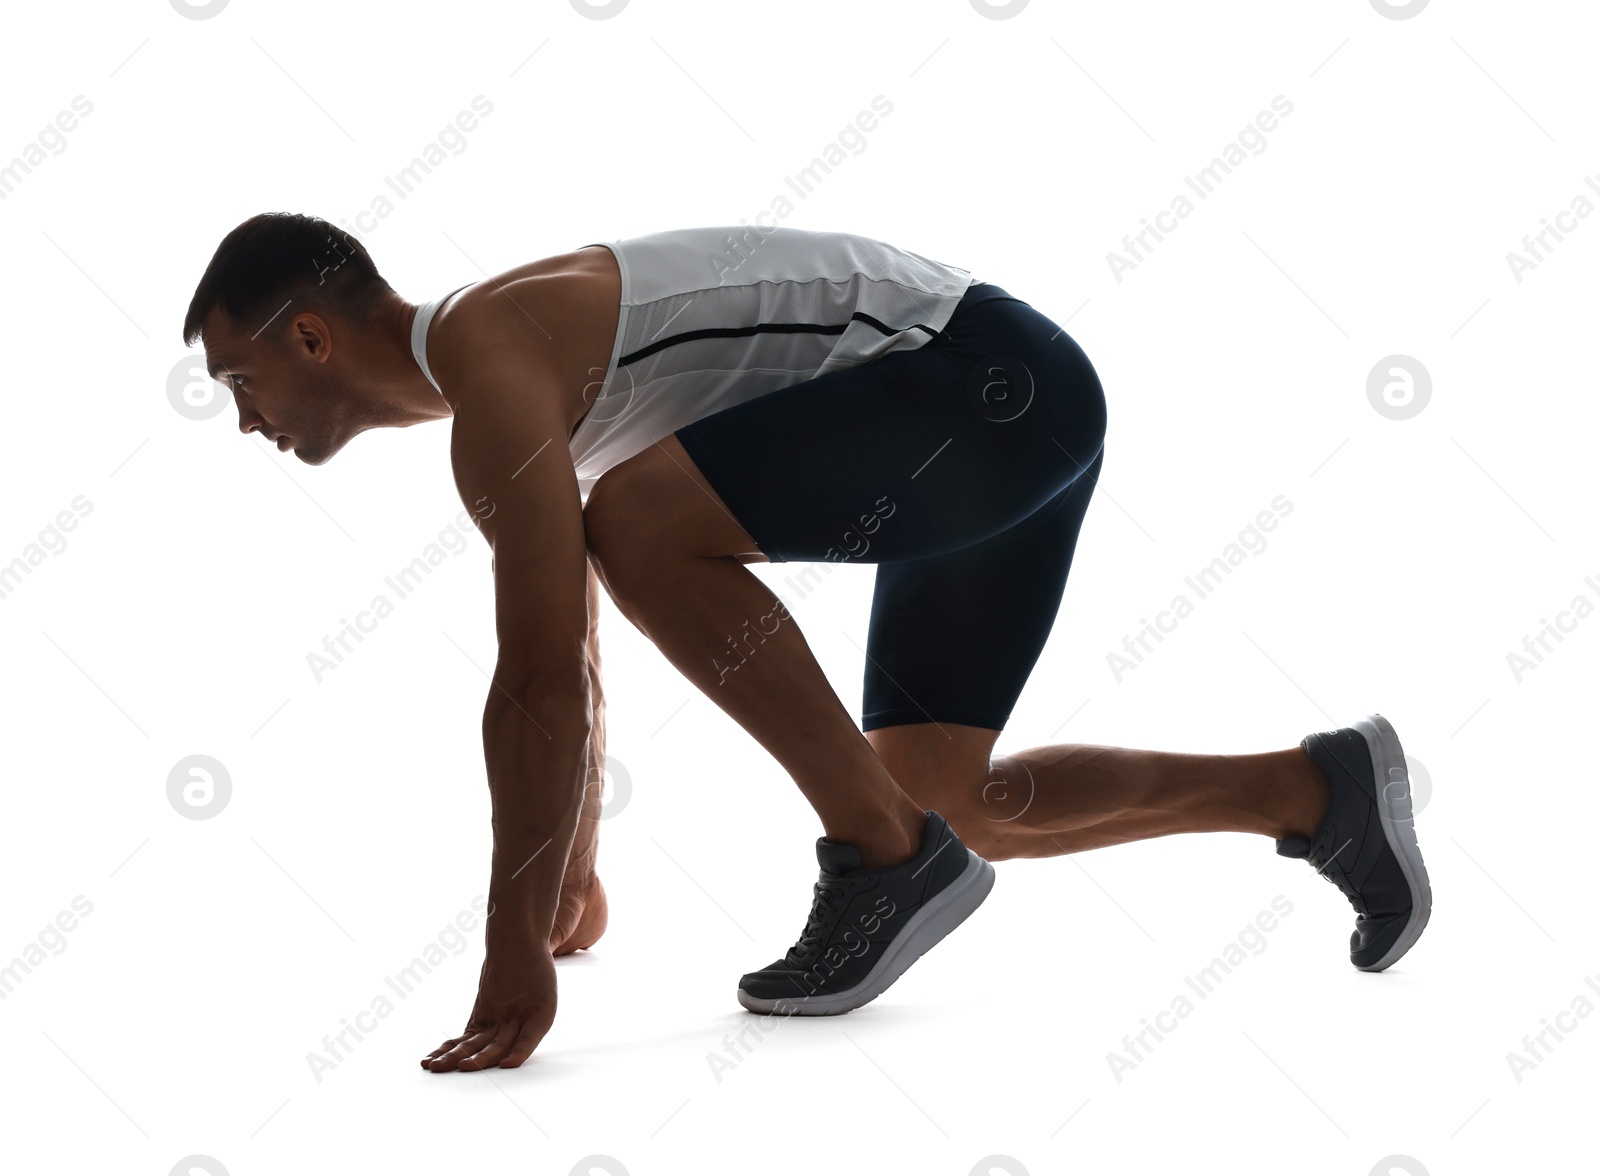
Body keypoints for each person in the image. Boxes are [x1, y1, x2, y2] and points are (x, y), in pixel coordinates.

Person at [182, 213, 1431, 1073]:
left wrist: (515, 955)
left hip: (983, 387)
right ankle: (1317, 791)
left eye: (239, 380)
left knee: (644, 528)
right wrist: (564, 878)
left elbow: (538, 683)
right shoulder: (523, 383)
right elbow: (575, 658)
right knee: (956, 805)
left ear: (308, 337)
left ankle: (882, 861)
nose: (244, 422)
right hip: (1009, 411)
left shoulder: (492, 354)